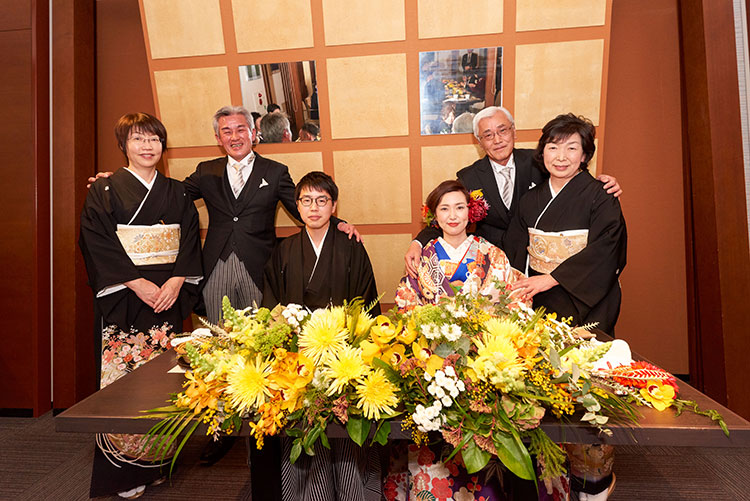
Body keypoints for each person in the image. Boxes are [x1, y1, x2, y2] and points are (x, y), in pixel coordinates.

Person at [79, 113, 202, 499]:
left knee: (164, 381)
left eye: (154, 139)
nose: (147, 146)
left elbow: (190, 239)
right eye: (138, 139)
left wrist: (176, 280)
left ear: (163, 146)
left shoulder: (178, 192)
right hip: (126, 298)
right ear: (124, 145)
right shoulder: (104, 191)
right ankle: (122, 472)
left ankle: (157, 462)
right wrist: (136, 282)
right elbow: (96, 241)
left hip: (166, 296)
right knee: (124, 382)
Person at [504, 113, 627, 500]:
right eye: (553, 146)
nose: (561, 155)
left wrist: (550, 278)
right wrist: (517, 287)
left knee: (588, 393)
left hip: (588, 304)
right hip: (542, 304)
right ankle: (551, 480)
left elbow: (608, 250)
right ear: (542, 151)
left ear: (585, 154)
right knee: (543, 392)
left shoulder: (599, 196)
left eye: (572, 147)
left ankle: (593, 482)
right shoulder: (531, 199)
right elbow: (514, 248)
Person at [388, 180, 527, 500]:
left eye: (460, 207)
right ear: (434, 216)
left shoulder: (492, 254)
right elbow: (407, 303)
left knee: (481, 434)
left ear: (471, 211)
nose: (453, 215)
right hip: (435, 357)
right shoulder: (422, 257)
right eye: (444, 209)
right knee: (433, 432)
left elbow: (515, 299)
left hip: (481, 357)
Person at [262, 171, 382, 501]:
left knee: (346, 421)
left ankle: (357, 491)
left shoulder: (351, 245)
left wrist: (356, 342)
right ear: (297, 206)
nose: (314, 208)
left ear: (333, 205)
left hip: (344, 352)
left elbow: (365, 301)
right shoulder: (284, 250)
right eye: (306, 200)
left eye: (322, 200)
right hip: (298, 351)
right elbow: (272, 300)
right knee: (303, 424)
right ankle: (306, 494)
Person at [404, 106, 622, 276]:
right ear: (479, 142)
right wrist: (417, 242)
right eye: (488, 135)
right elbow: (447, 215)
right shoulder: (469, 176)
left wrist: (600, 184)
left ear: (514, 132)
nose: (497, 140)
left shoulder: (541, 162)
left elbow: (570, 182)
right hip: (488, 265)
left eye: (503, 130)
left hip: (534, 265)